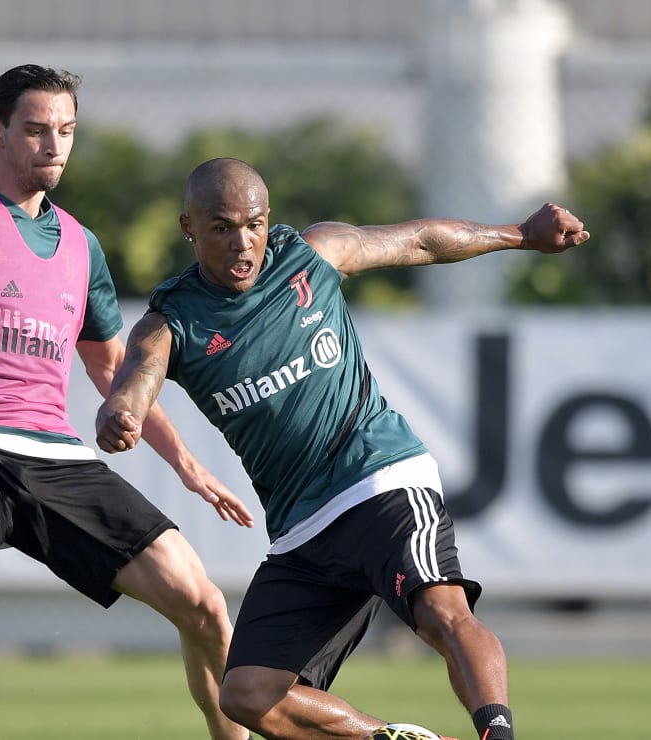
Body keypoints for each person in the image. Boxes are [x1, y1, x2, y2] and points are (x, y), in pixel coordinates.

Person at [96, 157, 590, 740]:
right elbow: (139, 373)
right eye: (222, 227)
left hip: (379, 480)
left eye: (253, 224)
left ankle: (498, 735)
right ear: (189, 227)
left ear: (269, 219)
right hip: (303, 531)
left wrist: (519, 235)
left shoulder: (312, 255)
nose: (242, 242)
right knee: (248, 694)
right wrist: (120, 411)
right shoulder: (172, 320)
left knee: (440, 610)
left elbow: (422, 240)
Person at [0, 67, 254, 738]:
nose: (53, 146)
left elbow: (115, 370)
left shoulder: (82, 247)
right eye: (35, 130)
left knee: (202, 601)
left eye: (65, 131)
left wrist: (184, 464)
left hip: (54, 454)